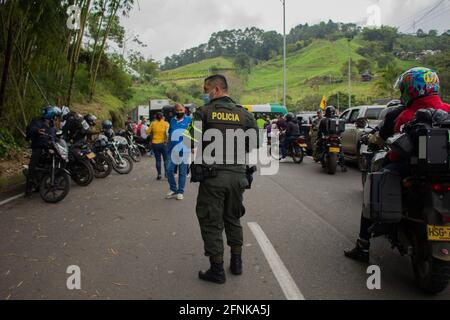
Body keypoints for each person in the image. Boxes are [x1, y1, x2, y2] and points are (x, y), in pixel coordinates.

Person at [345, 67, 450, 263]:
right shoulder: (447, 109)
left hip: (410, 170)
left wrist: (390, 159)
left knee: (375, 186)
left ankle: (363, 245)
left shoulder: (405, 114)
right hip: (444, 171)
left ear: (412, 89)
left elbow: (394, 151)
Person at [184, 74, 260, 284]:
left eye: (206, 89)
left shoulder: (204, 112)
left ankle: (217, 270)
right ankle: (237, 263)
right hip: (238, 175)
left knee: (211, 221)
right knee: (233, 217)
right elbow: (254, 144)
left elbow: (190, 140)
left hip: (213, 176)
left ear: (216, 90)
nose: (205, 93)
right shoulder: (244, 114)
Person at [25, 106, 61, 196]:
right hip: (39, 147)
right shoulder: (37, 121)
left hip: (49, 147)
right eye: (55, 116)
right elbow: (30, 130)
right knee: (32, 167)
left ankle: (46, 181)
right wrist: (37, 131)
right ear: (51, 115)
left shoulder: (52, 124)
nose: (56, 118)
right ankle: (28, 189)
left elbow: (54, 136)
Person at [166, 104, 192, 200]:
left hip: (184, 150)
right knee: (169, 170)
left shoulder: (189, 120)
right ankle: (173, 189)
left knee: (182, 172)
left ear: (184, 110)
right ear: (175, 111)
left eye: (181, 110)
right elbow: (170, 134)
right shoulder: (172, 120)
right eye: (177, 110)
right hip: (172, 150)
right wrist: (167, 145)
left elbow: (195, 133)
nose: (179, 111)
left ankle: (180, 191)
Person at [147, 112, 169, 180]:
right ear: (162, 117)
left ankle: (159, 174)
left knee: (158, 160)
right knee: (166, 160)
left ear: (156, 117)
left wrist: (153, 132)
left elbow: (147, 132)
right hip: (164, 144)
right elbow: (169, 133)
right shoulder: (166, 124)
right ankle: (166, 174)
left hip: (155, 144)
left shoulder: (153, 123)